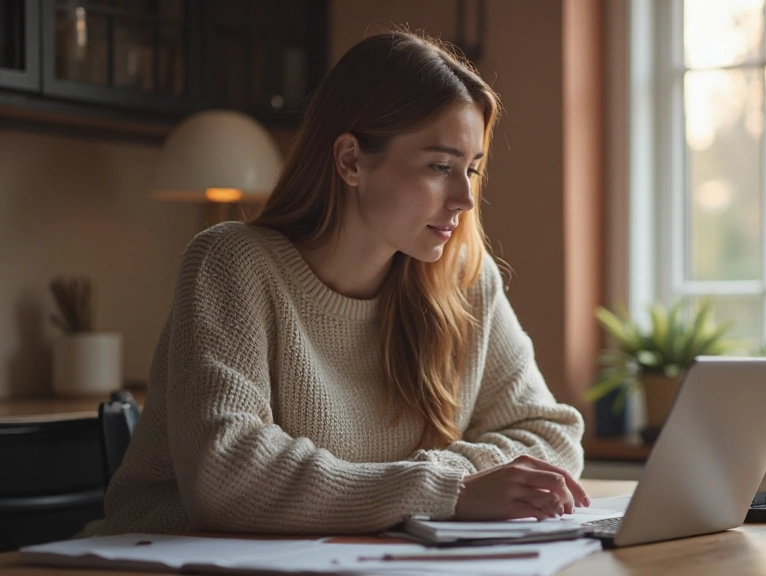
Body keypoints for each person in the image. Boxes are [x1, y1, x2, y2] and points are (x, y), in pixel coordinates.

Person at [88, 30, 588, 536]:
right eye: (440, 166)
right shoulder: (232, 263)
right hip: (166, 561)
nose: (464, 198)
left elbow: (552, 435)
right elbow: (228, 476)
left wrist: (439, 486)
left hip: (363, 557)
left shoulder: (462, 280)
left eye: (472, 170)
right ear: (350, 160)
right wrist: (445, 491)